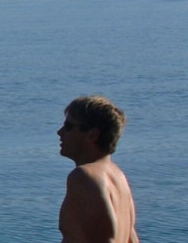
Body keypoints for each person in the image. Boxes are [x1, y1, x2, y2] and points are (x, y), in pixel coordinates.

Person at [57, 95, 138, 243]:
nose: (60, 132)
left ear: (92, 135)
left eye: (68, 126)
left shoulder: (83, 177)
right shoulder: (119, 178)